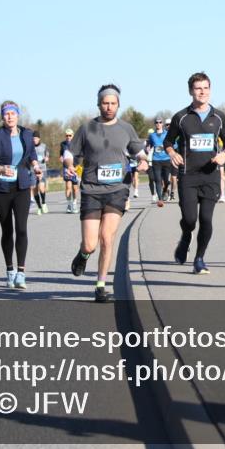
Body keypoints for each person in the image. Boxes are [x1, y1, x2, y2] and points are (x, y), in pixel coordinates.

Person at [65, 84, 148, 302]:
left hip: (118, 189)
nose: (109, 107)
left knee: (107, 238)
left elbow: (140, 152)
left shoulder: (126, 128)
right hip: (91, 190)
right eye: (105, 103)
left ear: (118, 104)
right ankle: (83, 255)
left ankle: (100, 285)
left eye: (113, 103)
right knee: (91, 243)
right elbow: (69, 152)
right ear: (98, 104)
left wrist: (143, 162)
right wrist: (68, 164)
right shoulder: (86, 128)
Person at [164, 72, 225, 275]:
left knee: (206, 219)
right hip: (188, 175)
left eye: (206, 88)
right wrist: (172, 153)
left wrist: (224, 154)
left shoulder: (219, 117)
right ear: (190, 91)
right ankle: (186, 236)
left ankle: (199, 258)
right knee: (189, 219)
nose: (202, 92)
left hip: (211, 175)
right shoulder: (181, 117)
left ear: (210, 90)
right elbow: (168, 141)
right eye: (198, 88)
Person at [0, 101, 42, 290]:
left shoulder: (27, 134)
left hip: (21, 186)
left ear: (18, 115)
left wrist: (36, 166)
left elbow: (32, 154)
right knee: (7, 230)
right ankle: (9, 271)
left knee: (21, 228)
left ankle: (21, 272)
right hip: (1, 188)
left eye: (13, 113)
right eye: (6, 114)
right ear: (2, 117)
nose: (10, 117)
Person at [147, 117, 170, 207]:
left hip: (166, 159)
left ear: (162, 124)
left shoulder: (167, 134)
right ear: (155, 124)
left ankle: (165, 190)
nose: (158, 124)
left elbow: (173, 144)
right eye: (157, 122)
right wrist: (148, 148)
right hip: (156, 160)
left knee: (166, 181)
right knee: (157, 180)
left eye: (160, 122)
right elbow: (149, 145)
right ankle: (160, 199)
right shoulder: (152, 135)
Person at [30, 130, 50, 215]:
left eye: (36, 138)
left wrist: (46, 158)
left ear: (39, 138)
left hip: (42, 170)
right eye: (33, 138)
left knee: (41, 188)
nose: (34, 140)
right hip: (32, 170)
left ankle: (44, 203)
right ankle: (39, 207)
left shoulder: (44, 146)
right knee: (34, 189)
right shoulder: (30, 147)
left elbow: (47, 155)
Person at [61, 129, 79, 213]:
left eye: (70, 135)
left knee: (75, 188)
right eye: (66, 135)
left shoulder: (77, 144)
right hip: (66, 168)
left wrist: (76, 166)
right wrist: (61, 159)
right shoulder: (63, 144)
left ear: (73, 136)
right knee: (68, 187)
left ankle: (74, 203)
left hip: (75, 168)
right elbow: (61, 155)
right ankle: (69, 204)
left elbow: (79, 156)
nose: (68, 137)